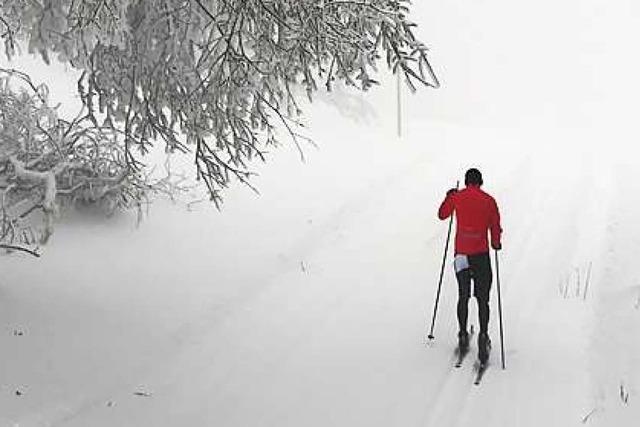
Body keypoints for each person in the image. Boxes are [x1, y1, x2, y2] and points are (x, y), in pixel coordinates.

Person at [438, 168, 502, 364]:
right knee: (483, 299)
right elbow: (495, 227)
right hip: (480, 255)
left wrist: (449, 197)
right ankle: (483, 337)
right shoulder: (489, 200)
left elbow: (442, 215)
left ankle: (463, 335)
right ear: (480, 182)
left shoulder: (458, 197)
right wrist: (496, 243)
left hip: (461, 255)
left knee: (463, 295)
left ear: (466, 182)